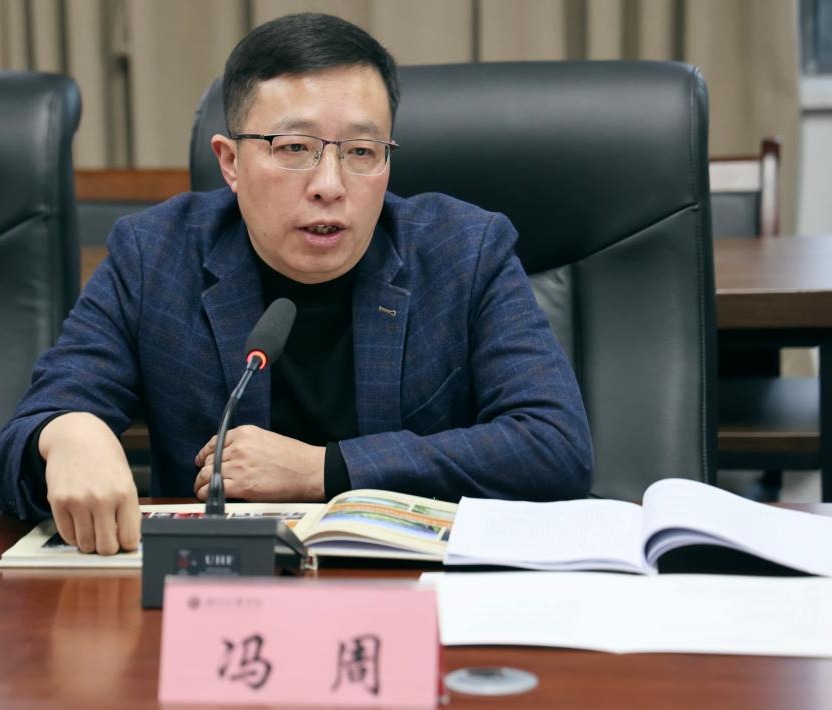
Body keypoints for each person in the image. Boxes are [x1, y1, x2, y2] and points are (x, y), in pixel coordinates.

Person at [0, 12, 592, 555]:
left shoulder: (464, 251)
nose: (329, 184)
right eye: (295, 148)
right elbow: (27, 437)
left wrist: (324, 469)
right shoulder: (154, 255)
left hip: (413, 592)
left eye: (361, 151)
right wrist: (66, 432)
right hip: (219, 592)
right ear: (230, 162)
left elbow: (554, 445)